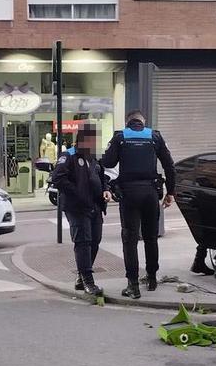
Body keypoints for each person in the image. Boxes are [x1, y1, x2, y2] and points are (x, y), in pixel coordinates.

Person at [100, 110, 176, 300]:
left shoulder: (120, 137)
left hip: (129, 193)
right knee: (151, 237)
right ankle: (151, 279)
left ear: (128, 123)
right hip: (151, 193)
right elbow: (169, 165)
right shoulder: (154, 136)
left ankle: (133, 285)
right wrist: (171, 192)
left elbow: (108, 161)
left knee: (130, 239)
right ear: (143, 122)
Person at [51, 124, 109, 297]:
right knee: (83, 242)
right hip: (76, 207)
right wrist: (78, 193)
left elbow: (102, 176)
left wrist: (106, 189)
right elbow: (58, 178)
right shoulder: (68, 155)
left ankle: (81, 276)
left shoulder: (94, 157)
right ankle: (88, 282)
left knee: (95, 241)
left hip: (95, 206)